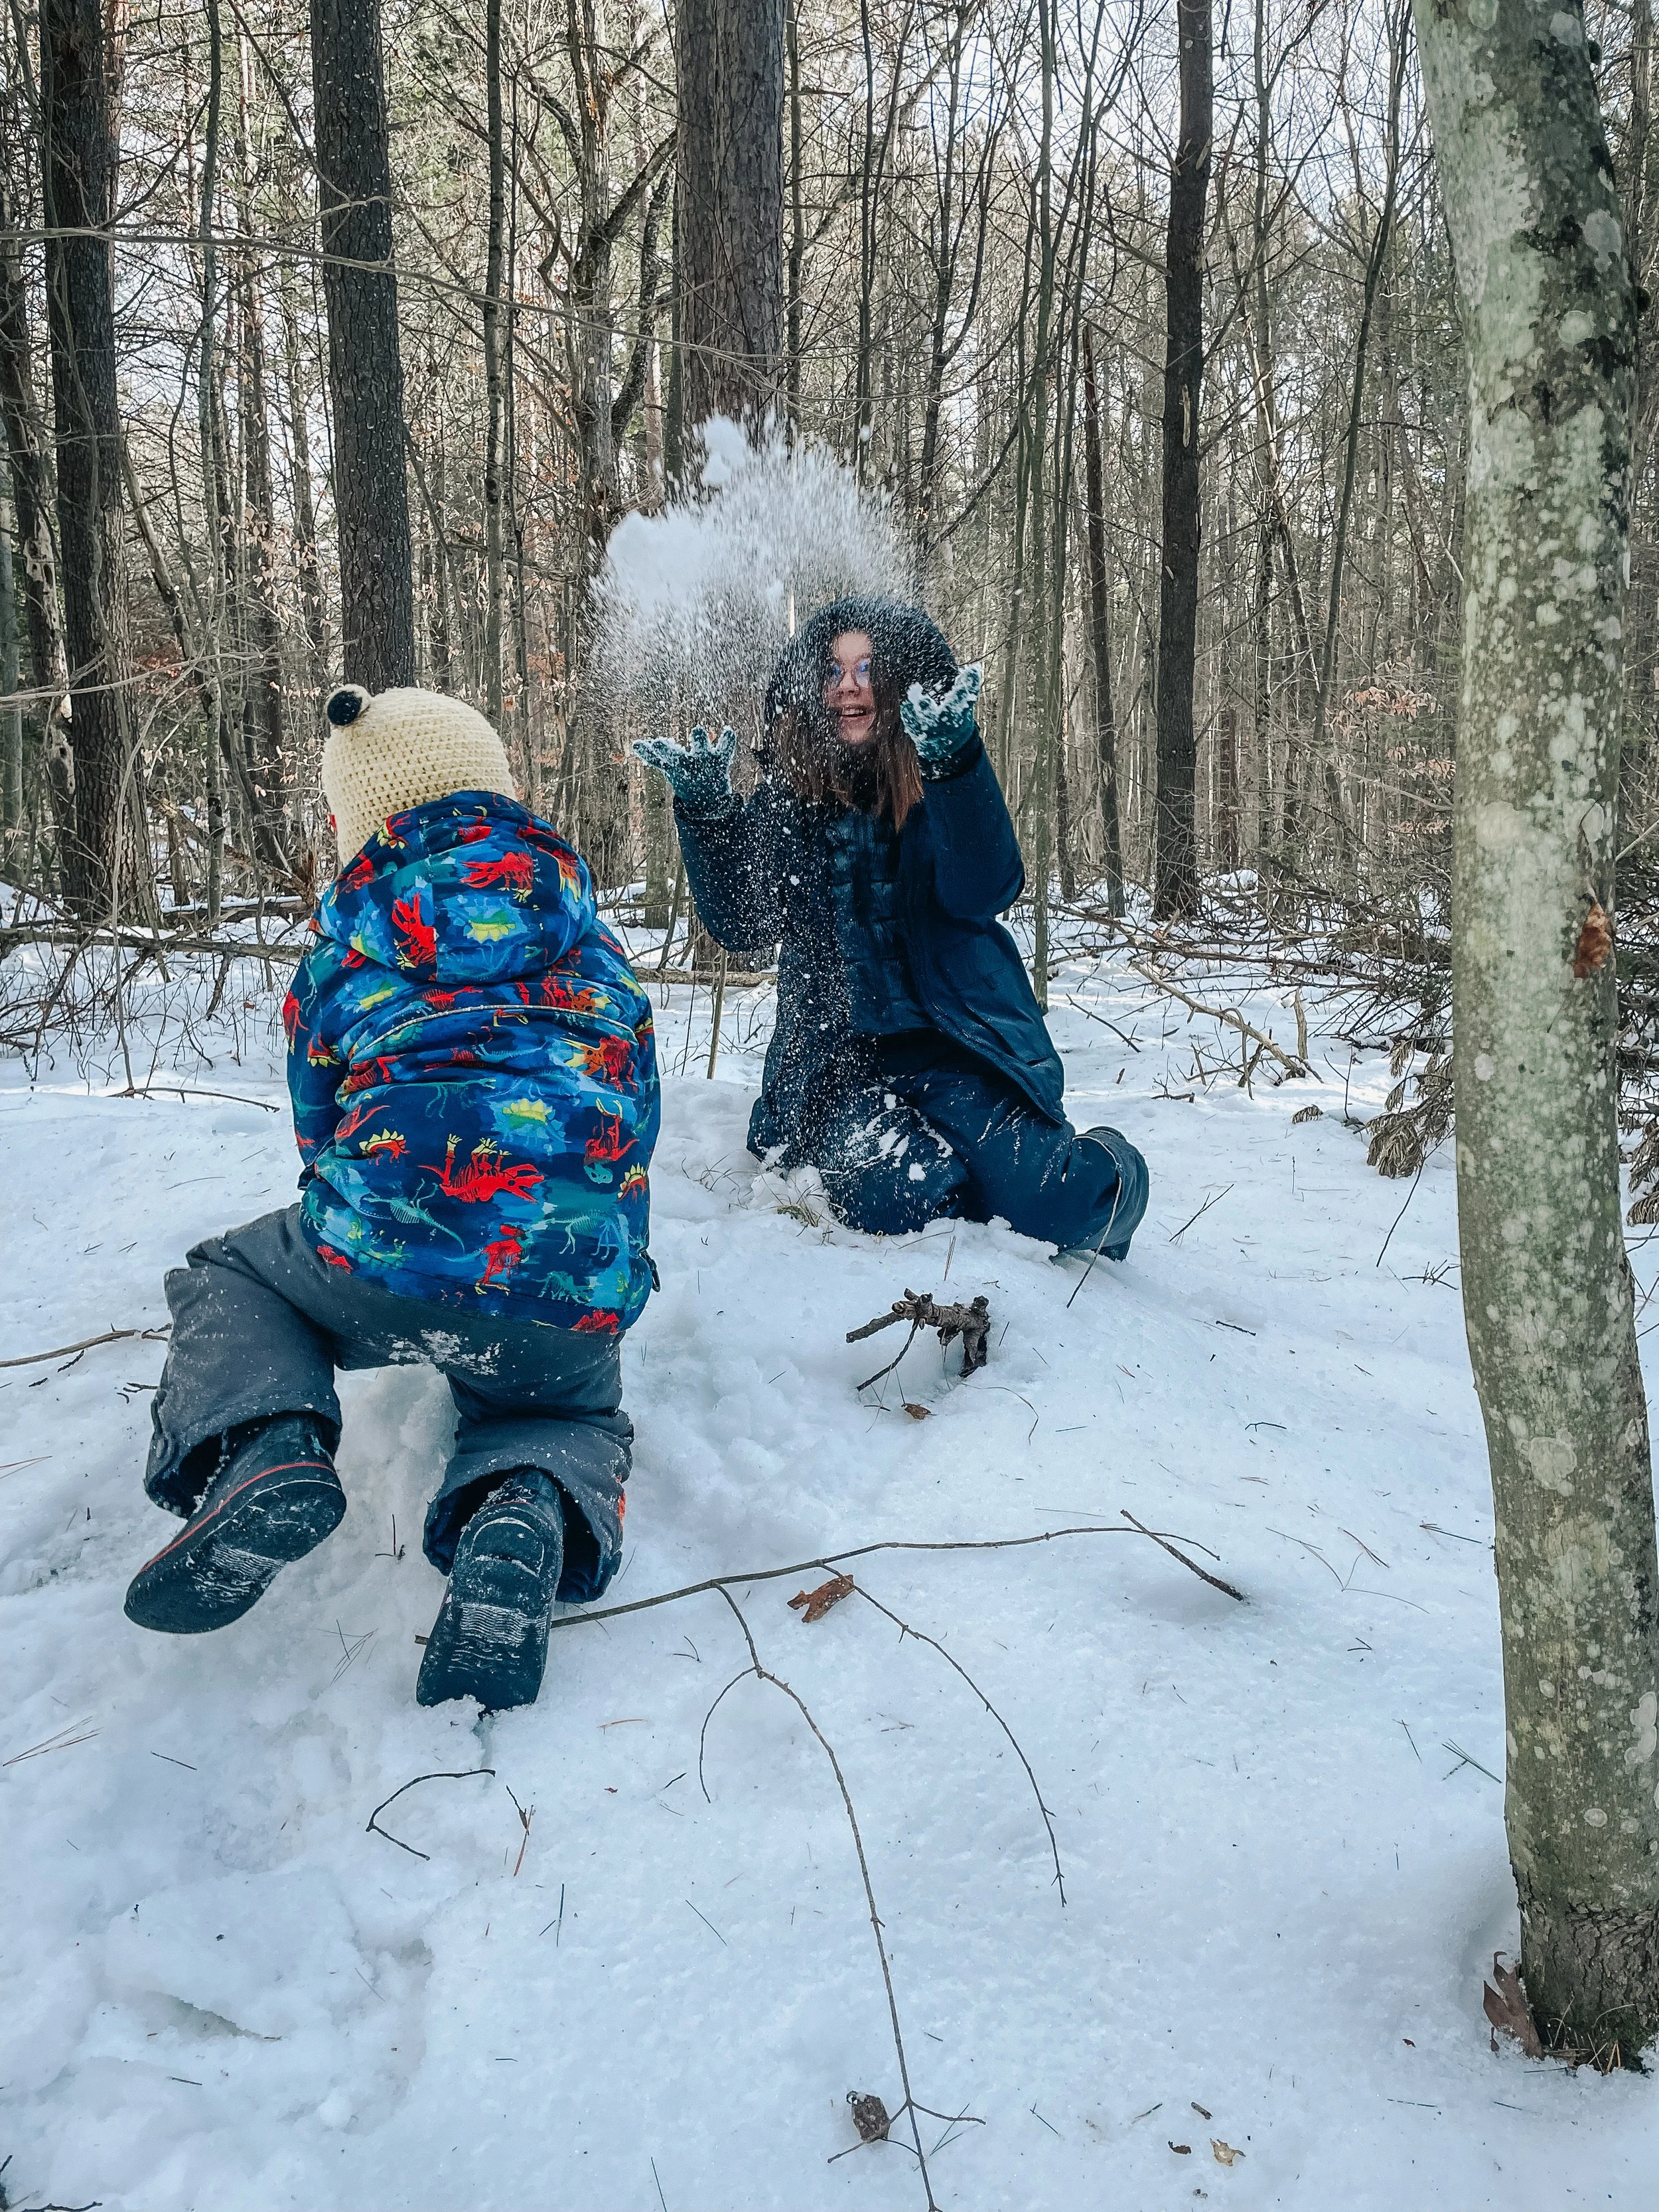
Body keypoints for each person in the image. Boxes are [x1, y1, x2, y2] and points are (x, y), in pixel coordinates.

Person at [123, 684, 659, 1711]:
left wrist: (365, 1227)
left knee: (230, 1275)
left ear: (357, 817)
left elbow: (317, 1127)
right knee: (562, 1407)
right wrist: (611, 1270)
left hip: (381, 1250)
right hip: (566, 1282)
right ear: (498, 789)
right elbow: (634, 1123)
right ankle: (525, 1503)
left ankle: (268, 1440)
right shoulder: (591, 938)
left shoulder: (346, 942)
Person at [635, 595, 1148, 1254]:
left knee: (1060, 1204)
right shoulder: (789, 796)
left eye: (868, 668)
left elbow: (983, 889)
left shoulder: (942, 777)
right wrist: (707, 815)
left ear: (903, 680)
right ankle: (960, 1186)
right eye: (832, 670)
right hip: (832, 1071)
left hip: (956, 1054)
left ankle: (1110, 1163)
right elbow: (743, 924)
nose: (848, 685)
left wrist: (954, 760)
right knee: (904, 1198)